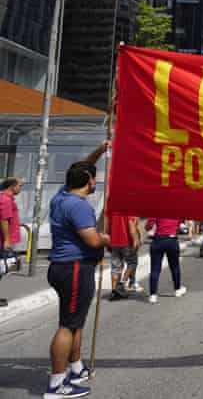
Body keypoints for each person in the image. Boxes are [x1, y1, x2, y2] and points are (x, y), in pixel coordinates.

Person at [45, 159, 110, 399]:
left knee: (76, 321)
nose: (96, 181)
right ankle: (56, 384)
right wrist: (108, 239)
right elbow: (92, 240)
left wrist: (100, 152)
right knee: (68, 325)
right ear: (89, 181)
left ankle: (75, 368)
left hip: (65, 267)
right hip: (74, 269)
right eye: (93, 177)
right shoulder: (79, 206)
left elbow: (79, 168)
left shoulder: (61, 197)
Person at [144, 217, 185, 304]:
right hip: (172, 240)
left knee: (155, 269)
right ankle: (177, 290)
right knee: (175, 267)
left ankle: (153, 295)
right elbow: (180, 225)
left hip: (158, 240)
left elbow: (148, 227)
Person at [107, 214, 141, 301]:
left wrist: (108, 240)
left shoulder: (113, 211)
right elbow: (131, 225)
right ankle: (122, 283)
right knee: (132, 262)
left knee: (115, 267)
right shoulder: (128, 209)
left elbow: (108, 227)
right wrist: (135, 240)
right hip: (126, 242)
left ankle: (114, 291)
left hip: (114, 242)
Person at [1, 177, 23, 308]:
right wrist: (7, 240)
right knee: (2, 268)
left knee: (2, 269)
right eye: (20, 185)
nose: (20, 188)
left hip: (4, 240)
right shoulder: (5, 200)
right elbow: (4, 220)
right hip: (2, 241)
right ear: (12, 186)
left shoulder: (7, 199)